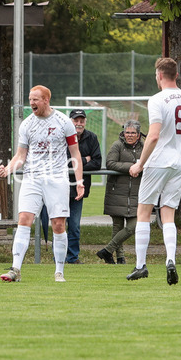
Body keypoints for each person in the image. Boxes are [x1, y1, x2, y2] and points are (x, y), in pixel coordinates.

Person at [0, 85, 84, 283]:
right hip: (32, 177)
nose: (31, 103)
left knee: (58, 224)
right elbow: (21, 156)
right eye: (30, 99)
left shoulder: (64, 122)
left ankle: (59, 271)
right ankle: (15, 269)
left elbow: (75, 153)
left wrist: (79, 181)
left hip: (57, 178)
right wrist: (8, 169)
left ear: (46, 100)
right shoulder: (26, 124)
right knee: (24, 219)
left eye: (35, 99)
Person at [127, 57, 181, 285]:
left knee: (143, 211)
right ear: (176, 75)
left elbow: (153, 136)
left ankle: (141, 265)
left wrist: (140, 163)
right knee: (168, 214)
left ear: (159, 75)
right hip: (180, 163)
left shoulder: (157, 99)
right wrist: (178, 145)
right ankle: (170, 260)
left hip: (158, 162)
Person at [96, 120, 144, 265]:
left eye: (133, 133)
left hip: (136, 193)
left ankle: (107, 250)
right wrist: (132, 167)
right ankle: (120, 258)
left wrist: (140, 167)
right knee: (117, 227)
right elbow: (110, 163)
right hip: (116, 192)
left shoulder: (144, 147)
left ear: (138, 134)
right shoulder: (117, 145)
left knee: (133, 226)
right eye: (127, 132)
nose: (129, 135)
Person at [65, 109, 101, 264]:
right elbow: (63, 162)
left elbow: (97, 162)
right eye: (76, 120)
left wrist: (77, 165)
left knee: (74, 225)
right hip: (61, 187)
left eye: (81, 121)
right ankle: (58, 256)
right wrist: (85, 160)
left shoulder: (92, 137)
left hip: (79, 189)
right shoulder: (63, 137)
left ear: (85, 122)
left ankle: (72, 258)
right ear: (70, 121)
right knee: (59, 224)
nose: (78, 124)